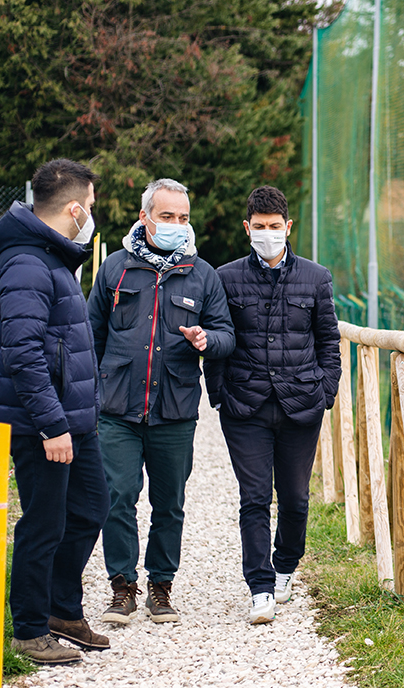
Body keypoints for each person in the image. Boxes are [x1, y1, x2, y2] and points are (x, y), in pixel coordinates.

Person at [88, 178, 234, 625]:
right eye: (167, 216)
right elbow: (91, 335)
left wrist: (207, 339)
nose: (176, 225)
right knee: (118, 497)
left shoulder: (202, 274)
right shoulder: (115, 269)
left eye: (183, 218)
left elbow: (227, 336)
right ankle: (121, 588)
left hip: (174, 409)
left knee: (169, 502)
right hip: (117, 408)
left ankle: (161, 587)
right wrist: (91, 391)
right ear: (145, 217)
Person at [0, 159, 111, 664]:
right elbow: (24, 354)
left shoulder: (52, 258)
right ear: (75, 209)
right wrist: (52, 424)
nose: (93, 217)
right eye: (93, 208)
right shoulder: (26, 264)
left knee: (90, 507)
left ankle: (62, 609)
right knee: (44, 524)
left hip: (73, 422)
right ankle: (30, 628)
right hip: (44, 425)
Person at [205, 186, 340, 625]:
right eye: (259, 227)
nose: (267, 234)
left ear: (288, 227)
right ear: (248, 229)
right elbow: (219, 339)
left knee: (297, 499)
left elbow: (328, 341)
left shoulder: (316, 278)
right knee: (254, 497)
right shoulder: (225, 279)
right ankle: (260, 587)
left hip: (301, 404)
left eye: (274, 227)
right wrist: (219, 394)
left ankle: (285, 566)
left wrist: (326, 392)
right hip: (245, 407)